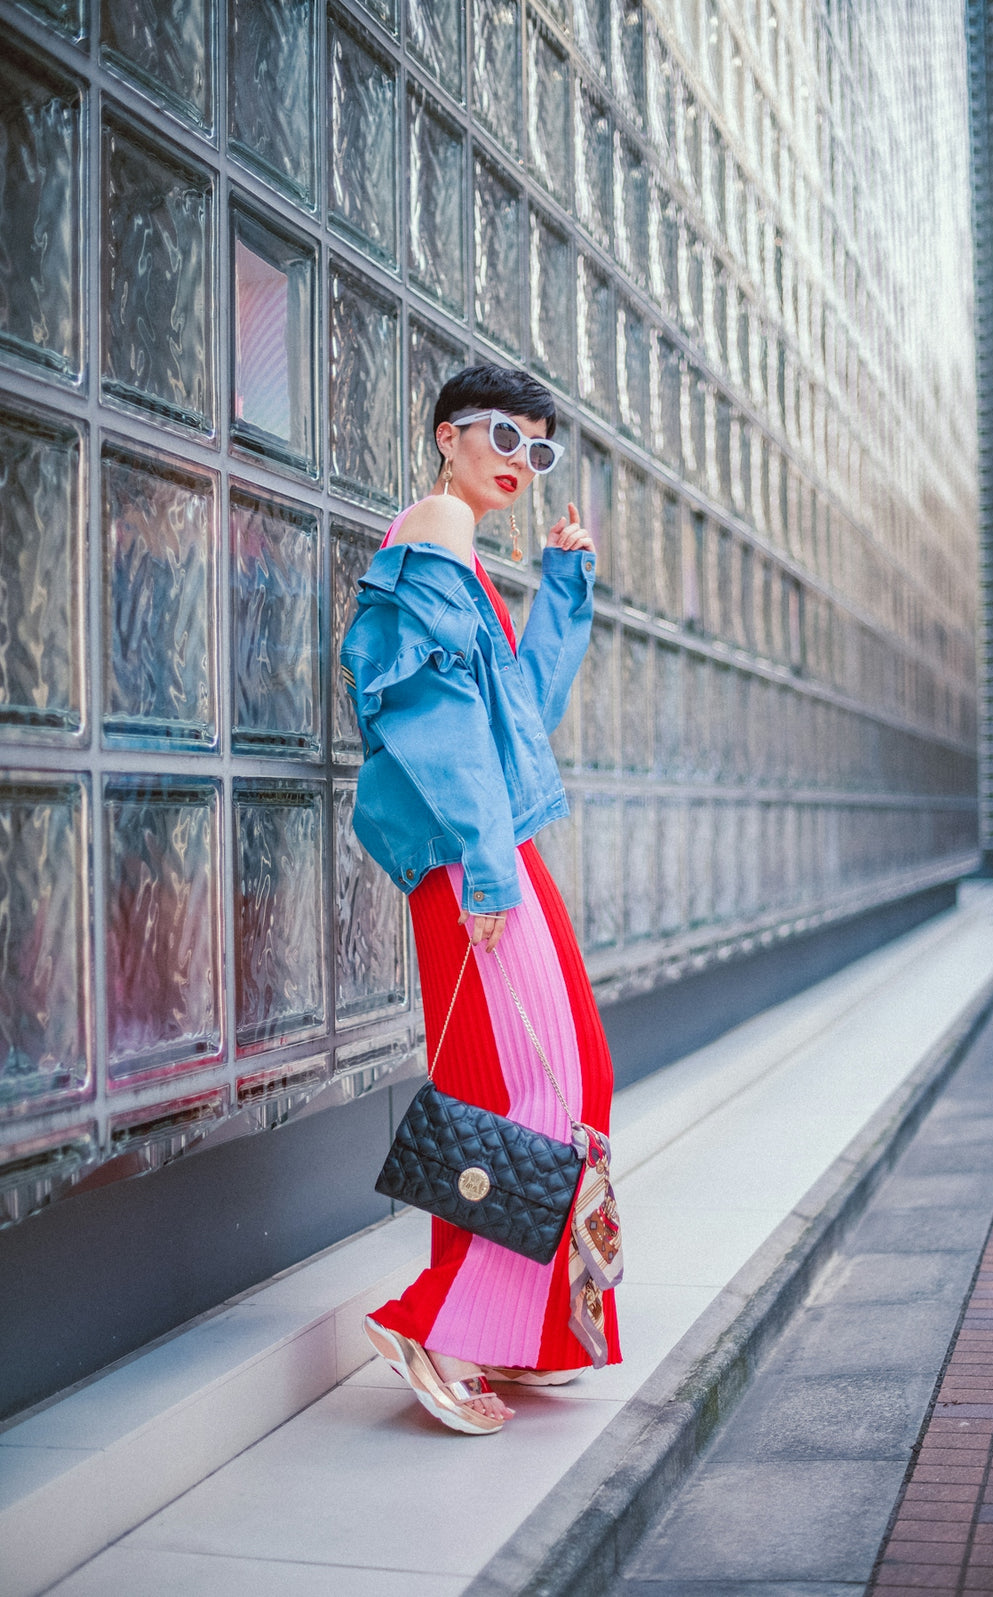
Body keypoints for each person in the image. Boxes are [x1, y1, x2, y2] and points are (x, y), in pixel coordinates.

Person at [340, 364, 621, 1436]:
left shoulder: (461, 562)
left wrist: (562, 587)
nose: (521, 457)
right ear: (448, 434)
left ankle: (523, 1326)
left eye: (539, 448)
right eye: (505, 432)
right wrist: (489, 868)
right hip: (477, 852)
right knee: (523, 1093)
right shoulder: (438, 526)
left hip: (494, 842)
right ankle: (446, 1325)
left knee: (561, 1079)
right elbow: (433, 720)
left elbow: (522, 711)